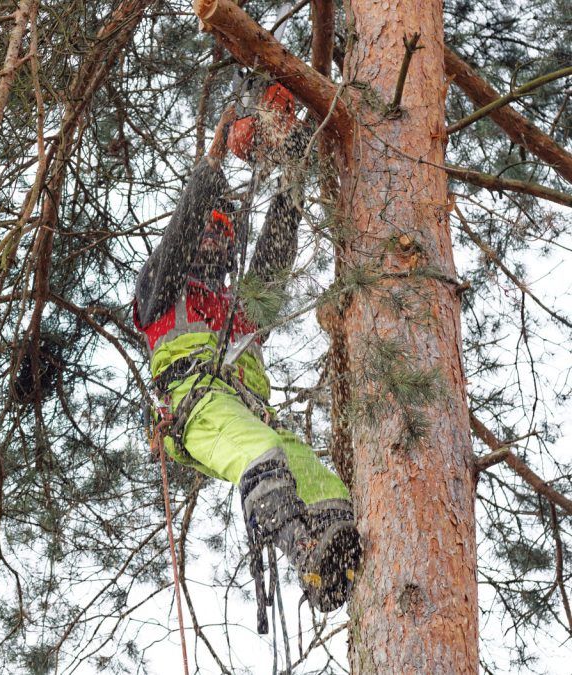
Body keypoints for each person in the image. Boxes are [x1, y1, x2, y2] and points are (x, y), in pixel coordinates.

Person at [133, 78, 361, 614]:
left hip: (254, 412)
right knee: (261, 455)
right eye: (210, 228)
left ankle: (333, 558)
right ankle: (304, 550)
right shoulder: (161, 291)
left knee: (321, 481)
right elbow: (182, 229)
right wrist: (213, 164)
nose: (216, 236)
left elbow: (275, 257)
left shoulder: (241, 307)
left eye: (224, 231)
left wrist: (294, 173)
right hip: (199, 407)